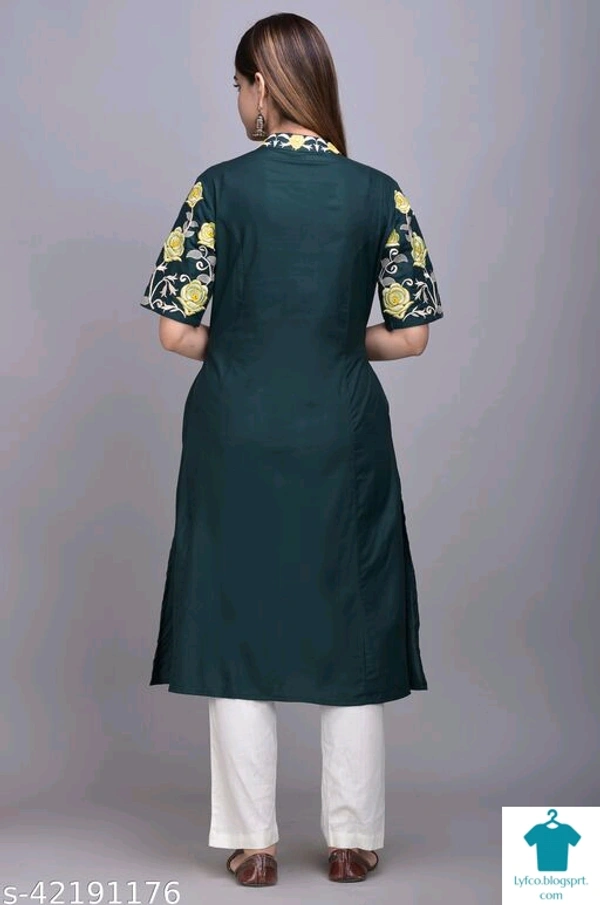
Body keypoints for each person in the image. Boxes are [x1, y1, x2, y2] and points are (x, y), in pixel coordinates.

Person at [140, 12, 444, 888]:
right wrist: (334, 343)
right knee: (352, 621)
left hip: (236, 431)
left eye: (239, 86)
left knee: (238, 623)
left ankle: (253, 843)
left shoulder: (216, 189)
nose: (238, 101)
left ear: (263, 87)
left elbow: (174, 332)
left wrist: (246, 345)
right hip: (343, 433)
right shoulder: (380, 194)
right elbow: (412, 335)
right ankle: (352, 840)